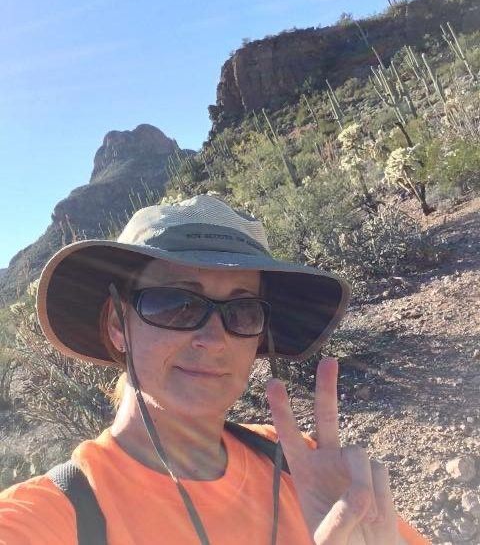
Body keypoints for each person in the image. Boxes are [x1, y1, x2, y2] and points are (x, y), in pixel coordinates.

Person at [0, 195, 430, 545]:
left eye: (242, 311)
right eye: (179, 304)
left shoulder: (300, 464)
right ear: (118, 324)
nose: (214, 338)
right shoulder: (57, 517)